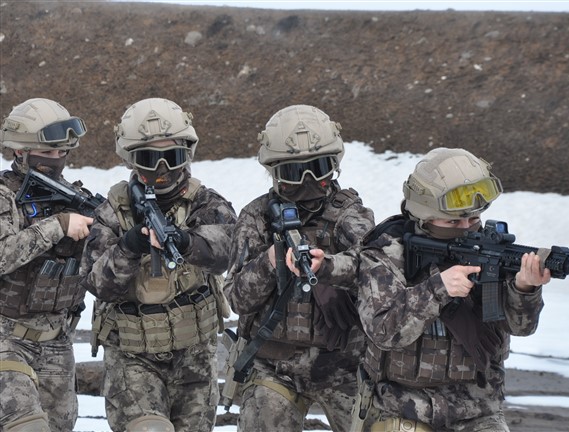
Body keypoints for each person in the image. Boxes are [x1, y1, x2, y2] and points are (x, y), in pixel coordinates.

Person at [354, 147, 550, 432]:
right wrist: (438, 289)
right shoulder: (387, 254)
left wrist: (524, 288)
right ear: (424, 217)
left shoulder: (489, 251)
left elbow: (521, 328)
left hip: (478, 411)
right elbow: (384, 332)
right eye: (453, 222)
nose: (467, 228)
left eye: (474, 220)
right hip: (402, 408)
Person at [79, 97, 237, 432]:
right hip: (132, 358)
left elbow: (228, 251)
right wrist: (128, 247)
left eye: (172, 157)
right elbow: (97, 283)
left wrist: (187, 242)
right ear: (130, 159)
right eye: (149, 159)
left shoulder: (207, 203)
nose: (162, 169)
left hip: (194, 359)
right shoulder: (113, 211)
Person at [223, 104, 375, 432]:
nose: (307, 181)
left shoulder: (350, 216)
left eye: (318, 169)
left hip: (343, 366)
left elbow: (376, 277)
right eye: (294, 173)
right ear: (275, 171)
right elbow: (236, 299)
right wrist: (269, 261)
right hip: (274, 366)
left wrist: (330, 269)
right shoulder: (257, 217)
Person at [0, 98, 94, 432]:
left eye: (61, 152)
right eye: (46, 152)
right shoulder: (5, 195)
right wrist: (57, 226)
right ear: (20, 151)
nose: (55, 160)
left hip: (57, 341)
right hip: (7, 339)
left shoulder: (74, 197)